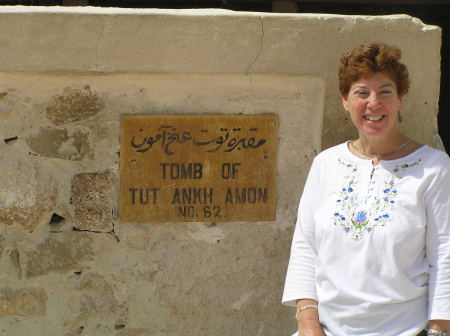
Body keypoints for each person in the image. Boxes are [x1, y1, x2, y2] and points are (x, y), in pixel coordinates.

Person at [282, 43, 450, 336]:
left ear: (400, 99)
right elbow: (305, 247)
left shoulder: (434, 167)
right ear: (345, 100)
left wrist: (438, 331)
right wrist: (308, 323)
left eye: (385, 91)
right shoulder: (326, 164)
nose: (374, 103)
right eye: (361, 92)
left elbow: (445, 253)